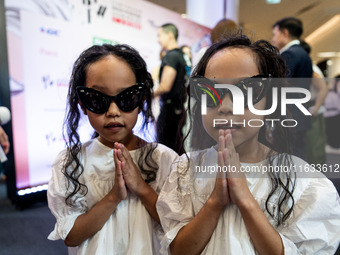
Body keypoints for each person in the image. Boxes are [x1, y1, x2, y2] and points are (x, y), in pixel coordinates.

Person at [156, 35, 340, 254]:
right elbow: (179, 250)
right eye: (211, 92)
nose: (225, 107)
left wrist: (245, 199)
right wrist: (215, 202)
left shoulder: (304, 183)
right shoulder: (185, 171)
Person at [47, 44, 178, 255]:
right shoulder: (71, 163)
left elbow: (176, 225)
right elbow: (72, 236)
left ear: (141, 100)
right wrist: (114, 196)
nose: (113, 111)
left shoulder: (163, 159)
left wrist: (142, 189)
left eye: (126, 98)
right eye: (98, 99)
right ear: (82, 104)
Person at [271, 17, 313, 160]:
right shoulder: (303, 53)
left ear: (285, 33)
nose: (273, 39)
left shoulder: (289, 54)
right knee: (298, 157)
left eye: (275, 34)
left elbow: (281, 83)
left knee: (289, 158)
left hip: (289, 115)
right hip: (299, 114)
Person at [154, 23, 188, 155]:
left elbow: (165, 86)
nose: (158, 39)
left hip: (170, 112)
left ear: (169, 35)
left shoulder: (171, 56)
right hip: (180, 111)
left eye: (159, 35)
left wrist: (146, 95)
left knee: (166, 152)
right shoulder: (182, 56)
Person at [299, 40, 329, 165]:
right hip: (310, 111)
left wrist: (314, 109)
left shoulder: (311, 67)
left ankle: (318, 180)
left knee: (314, 148)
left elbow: (323, 88)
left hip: (313, 113)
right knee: (311, 148)